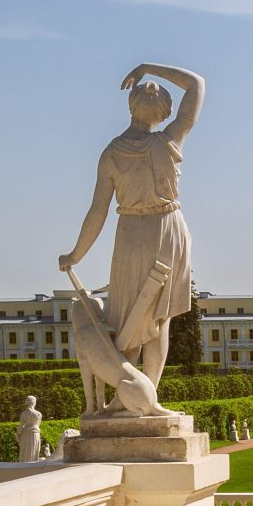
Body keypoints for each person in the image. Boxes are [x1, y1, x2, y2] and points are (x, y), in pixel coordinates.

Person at [62, 61, 203, 394]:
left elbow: (97, 212)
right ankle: (147, 394)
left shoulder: (111, 154)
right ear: (165, 113)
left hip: (130, 233)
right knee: (158, 318)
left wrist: (75, 254)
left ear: (131, 107)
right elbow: (196, 84)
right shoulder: (170, 140)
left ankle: (127, 397)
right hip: (168, 228)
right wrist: (148, 67)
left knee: (128, 318)